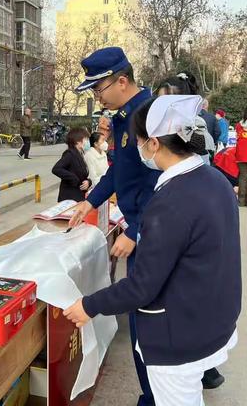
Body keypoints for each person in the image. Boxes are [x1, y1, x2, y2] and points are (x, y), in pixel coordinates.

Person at [64, 95, 242, 406]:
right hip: (213, 321)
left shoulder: (170, 202)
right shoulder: (216, 181)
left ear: (155, 144)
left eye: (139, 141)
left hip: (179, 339)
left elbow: (141, 287)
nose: (137, 148)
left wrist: (88, 305)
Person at [69, 46, 161, 406]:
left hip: (152, 234)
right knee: (142, 319)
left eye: (98, 89)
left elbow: (163, 182)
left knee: (149, 323)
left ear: (121, 81)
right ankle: (151, 395)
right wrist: (89, 201)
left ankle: (155, 398)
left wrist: (136, 230)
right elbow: (120, 174)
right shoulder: (125, 116)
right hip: (140, 227)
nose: (96, 97)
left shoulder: (149, 116)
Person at [155, 72, 225, 388]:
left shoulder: (191, 126)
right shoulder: (189, 121)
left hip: (191, 204)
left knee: (194, 278)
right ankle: (206, 363)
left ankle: (203, 364)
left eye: (165, 99)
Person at [52, 127, 92, 202]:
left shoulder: (80, 154)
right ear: (78, 141)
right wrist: (74, 178)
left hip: (79, 196)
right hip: (69, 197)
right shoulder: (70, 154)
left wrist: (88, 182)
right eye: (86, 139)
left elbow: (83, 174)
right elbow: (56, 169)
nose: (88, 142)